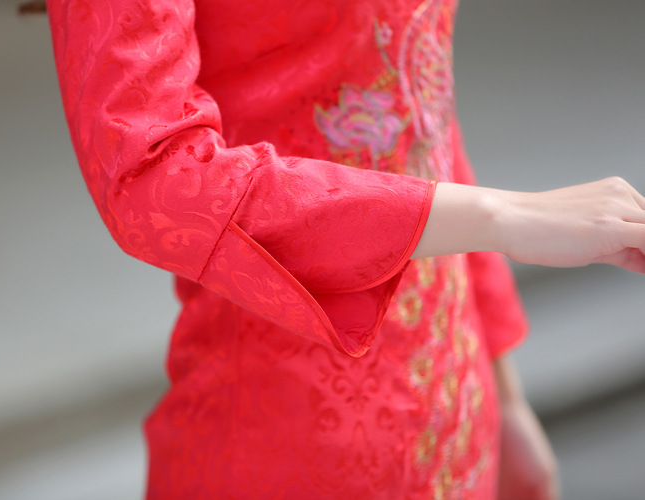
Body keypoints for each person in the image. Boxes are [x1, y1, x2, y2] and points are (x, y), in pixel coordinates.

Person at [42, 0, 645, 498]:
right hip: (290, 445)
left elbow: (422, 116)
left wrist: (504, 395)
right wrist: (503, 215)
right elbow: (155, 178)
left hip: (455, 416)